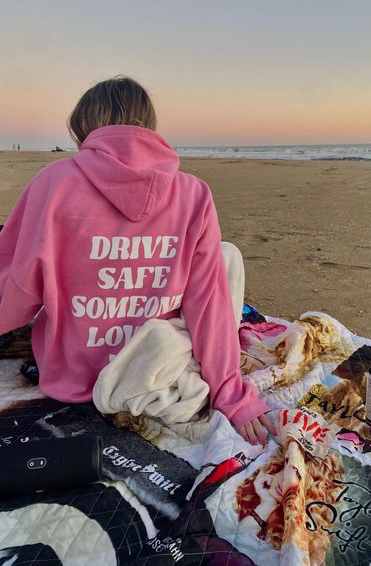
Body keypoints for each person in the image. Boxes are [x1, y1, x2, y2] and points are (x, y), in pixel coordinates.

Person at [0, 76, 274, 444]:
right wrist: (232, 395)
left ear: (85, 128)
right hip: (153, 368)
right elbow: (207, 306)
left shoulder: (54, 182)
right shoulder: (194, 193)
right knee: (226, 258)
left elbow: (16, 291)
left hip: (73, 377)